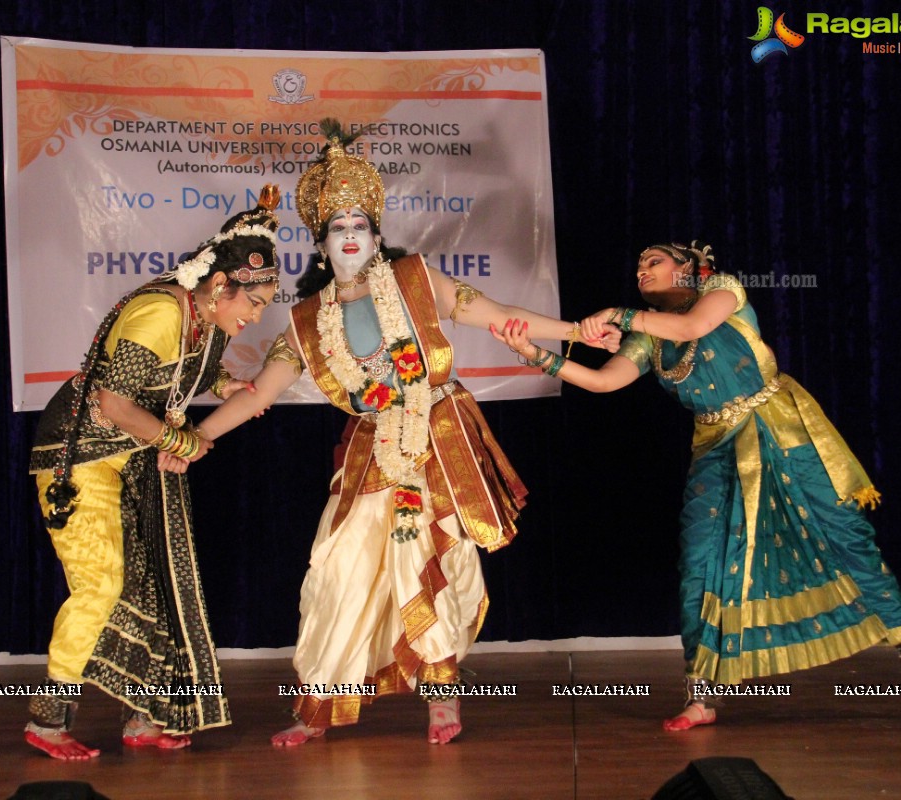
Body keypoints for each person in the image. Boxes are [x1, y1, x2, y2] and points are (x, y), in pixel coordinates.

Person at [195, 121, 618, 746]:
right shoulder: (308, 321)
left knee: (430, 558)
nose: (348, 236)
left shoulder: (419, 280)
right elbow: (258, 392)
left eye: (358, 225)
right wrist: (195, 440)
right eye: (336, 227)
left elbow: (502, 316)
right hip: (372, 447)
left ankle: (441, 699)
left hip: (437, 437)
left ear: (375, 233)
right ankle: (318, 705)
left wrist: (577, 331)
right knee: (336, 567)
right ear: (319, 241)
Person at [491, 240, 901, 730]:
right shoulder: (648, 337)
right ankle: (701, 697)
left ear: (691, 269)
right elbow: (604, 382)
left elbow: (692, 327)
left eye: (653, 262)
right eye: (637, 267)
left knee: (848, 540)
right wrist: (532, 353)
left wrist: (617, 313)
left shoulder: (722, 290)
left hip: (782, 434)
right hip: (716, 449)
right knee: (699, 563)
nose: (641, 272)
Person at [25, 187, 283, 759]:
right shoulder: (162, 312)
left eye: (265, 304)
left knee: (157, 587)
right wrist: (182, 440)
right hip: (82, 457)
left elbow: (196, 375)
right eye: (255, 302)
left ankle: (144, 720)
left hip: (134, 460)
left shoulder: (208, 319)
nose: (258, 314)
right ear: (221, 286)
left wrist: (227, 386)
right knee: (101, 585)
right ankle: (47, 722)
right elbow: (114, 402)